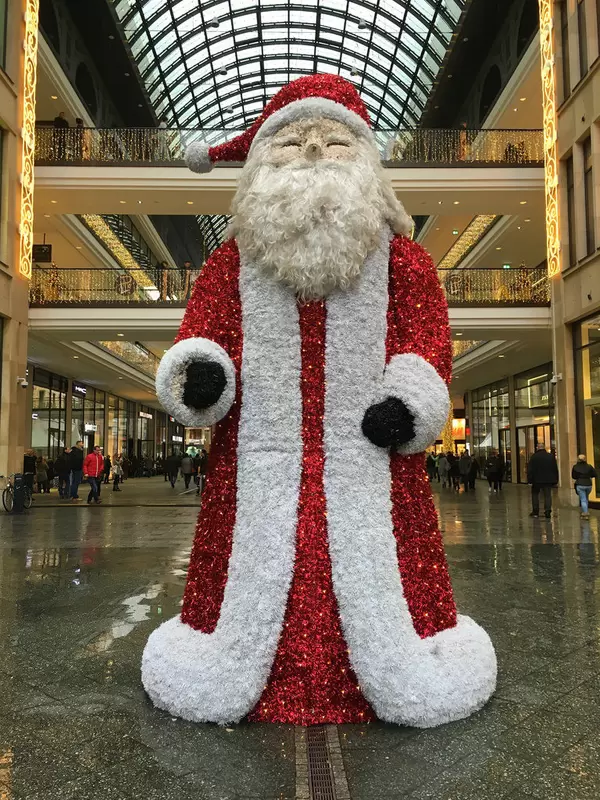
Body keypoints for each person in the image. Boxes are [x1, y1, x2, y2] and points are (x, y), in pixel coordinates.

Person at [144, 75, 496, 728]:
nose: (311, 152)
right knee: (247, 581)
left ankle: (401, 670)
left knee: (384, 577)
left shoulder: (404, 264)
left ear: (365, 162)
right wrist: (202, 376)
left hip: (373, 465)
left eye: (333, 143)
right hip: (255, 470)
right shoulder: (228, 267)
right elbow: (202, 337)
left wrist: (407, 402)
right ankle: (232, 667)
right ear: (258, 165)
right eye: (291, 143)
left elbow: (426, 343)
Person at [527, 442, 559, 518]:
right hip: (548, 479)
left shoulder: (534, 457)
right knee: (548, 495)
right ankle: (547, 511)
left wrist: (530, 480)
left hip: (536, 480)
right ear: (544, 447)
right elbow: (554, 468)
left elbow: (530, 470)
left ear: (537, 447)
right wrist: (556, 479)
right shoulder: (550, 456)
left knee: (535, 495)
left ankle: (535, 511)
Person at [572, 454, 597, 520]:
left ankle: (585, 513)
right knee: (586, 498)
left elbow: (573, 476)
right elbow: (595, 474)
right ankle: (585, 511)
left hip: (580, 484)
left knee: (583, 499)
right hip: (588, 484)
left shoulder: (575, 467)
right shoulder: (589, 466)